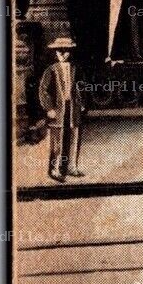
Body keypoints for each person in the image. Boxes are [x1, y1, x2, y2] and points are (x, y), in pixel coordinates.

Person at [38, 34, 85, 182]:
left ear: (70, 52)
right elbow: (43, 90)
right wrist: (49, 107)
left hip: (73, 108)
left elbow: (80, 86)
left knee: (74, 136)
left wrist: (82, 102)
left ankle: (72, 166)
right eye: (60, 51)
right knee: (57, 141)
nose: (63, 54)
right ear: (55, 52)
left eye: (66, 51)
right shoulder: (51, 70)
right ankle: (55, 169)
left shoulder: (76, 69)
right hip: (58, 110)